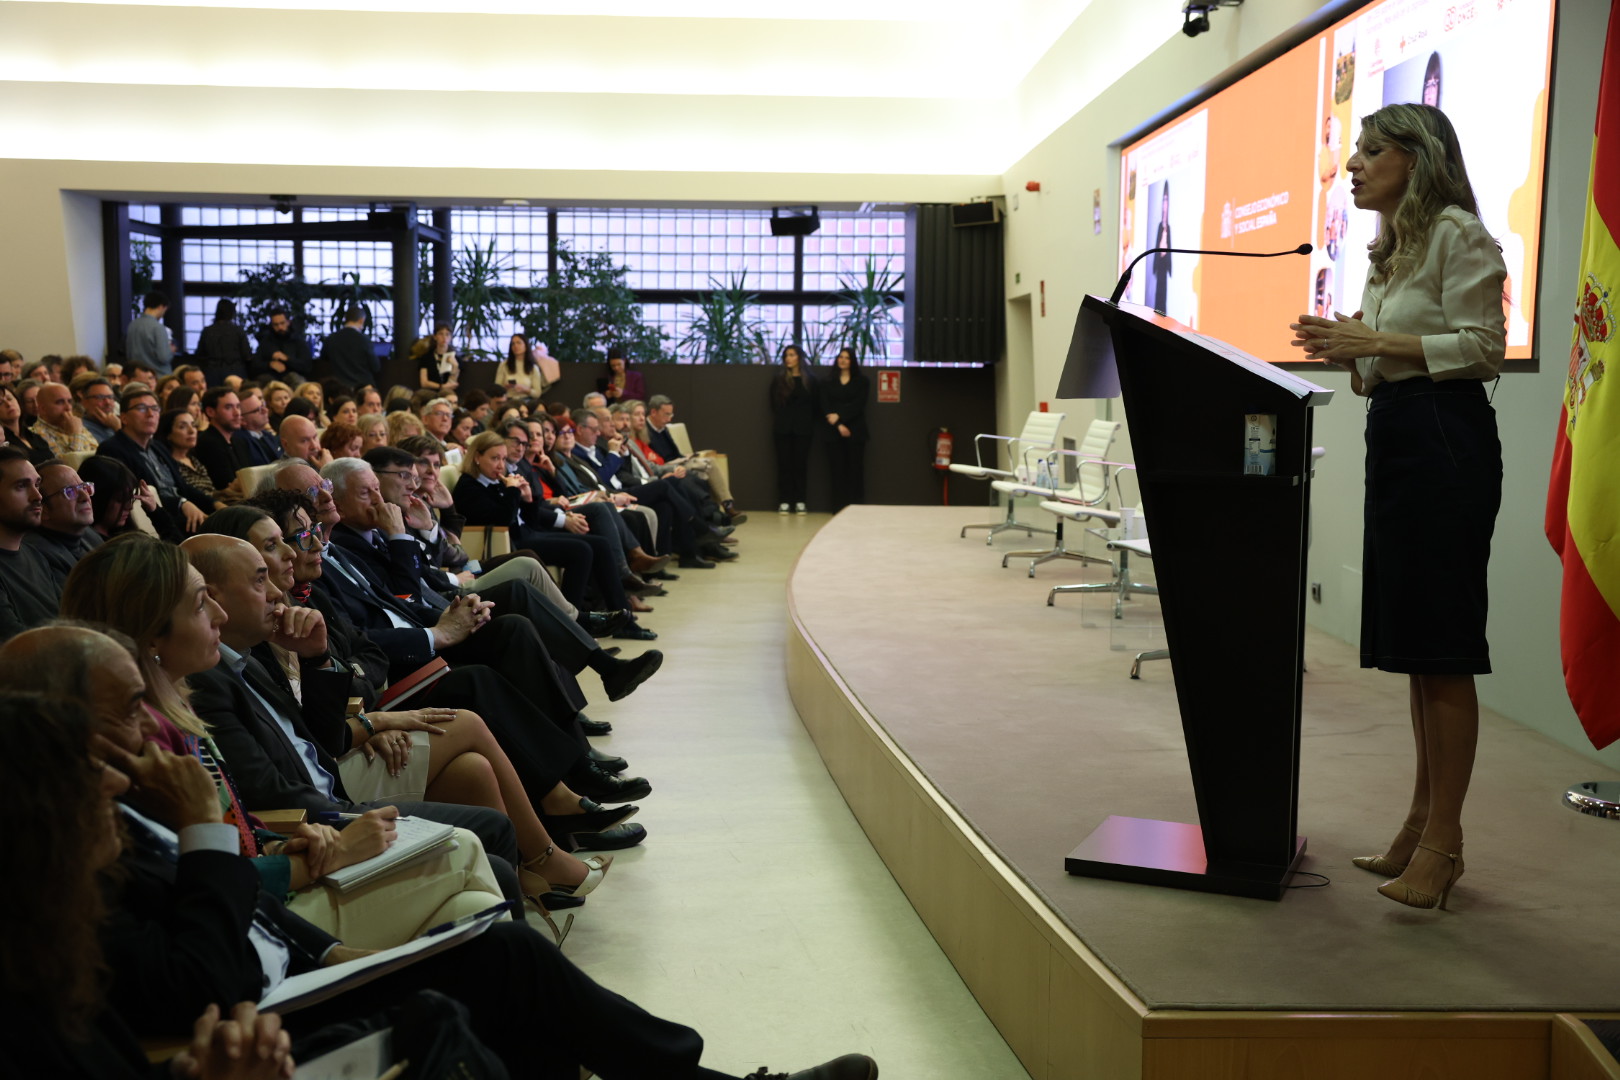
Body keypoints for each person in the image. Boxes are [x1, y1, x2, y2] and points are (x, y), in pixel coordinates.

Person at [1288, 103, 1504, 912]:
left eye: (1372, 150)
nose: (1354, 163)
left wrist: (1374, 345)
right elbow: (1379, 369)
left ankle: (1445, 845)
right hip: (1400, 435)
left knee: (1443, 646)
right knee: (1417, 646)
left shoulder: (1458, 234)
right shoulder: (1388, 251)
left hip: (1448, 440)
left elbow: (1484, 350)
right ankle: (1419, 821)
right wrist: (1350, 346)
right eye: (1355, 150)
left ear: (1417, 158)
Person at [95, 385, 212, 540]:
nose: (151, 414)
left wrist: (215, 504)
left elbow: (183, 486)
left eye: (155, 408)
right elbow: (137, 495)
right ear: (124, 418)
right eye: (142, 408)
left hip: (181, 512)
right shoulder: (113, 449)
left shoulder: (158, 447)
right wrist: (182, 503)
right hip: (155, 520)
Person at [0, 446, 59, 641]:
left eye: (37, 484)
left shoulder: (35, 555)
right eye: (21, 486)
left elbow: (66, 619)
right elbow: (17, 646)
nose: (38, 496)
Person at [23, 460, 102, 587]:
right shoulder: (39, 555)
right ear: (43, 509)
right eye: (70, 491)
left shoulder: (88, 533)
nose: (85, 497)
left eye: (84, 487)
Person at [818, 347, 869, 511]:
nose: (843, 360)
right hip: (833, 431)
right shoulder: (827, 381)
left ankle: (855, 507)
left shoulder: (862, 381)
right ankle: (837, 507)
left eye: (847, 358)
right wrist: (838, 424)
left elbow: (858, 404)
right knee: (836, 471)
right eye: (840, 357)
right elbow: (825, 404)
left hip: (856, 430)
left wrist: (840, 417)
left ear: (852, 361)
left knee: (855, 470)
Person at [770, 344, 816, 514]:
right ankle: (784, 500)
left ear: (799, 358)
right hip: (782, 429)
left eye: (792, 355)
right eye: (786, 355)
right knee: (784, 465)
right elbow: (773, 403)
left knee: (800, 465)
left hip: (803, 430)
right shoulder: (779, 379)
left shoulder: (809, 380)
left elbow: (815, 405)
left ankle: (800, 500)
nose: (788, 358)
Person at [159, 408, 227, 511]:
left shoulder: (195, 460)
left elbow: (209, 493)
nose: (192, 431)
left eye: (194, 425)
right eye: (182, 427)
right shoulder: (168, 465)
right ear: (168, 434)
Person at [195, 387, 252, 491]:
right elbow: (225, 485)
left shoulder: (240, 441)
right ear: (210, 412)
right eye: (229, 407)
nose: (237, 413)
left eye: (238, 407)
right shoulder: (207, 444)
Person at [30, 382, 100, 459]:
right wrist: (75, 435)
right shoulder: (37, 434)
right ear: (43, 409)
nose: (68, 407)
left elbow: (100, 454)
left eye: (69, 401)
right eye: (60, 402)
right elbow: (73, 466)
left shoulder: (75, 424)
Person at [195, 298, 252, 385]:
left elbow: (200, 354)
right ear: (232, 312)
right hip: (235, 372)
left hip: (212, 373)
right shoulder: (238, 331)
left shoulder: (207, 331)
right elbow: (247, 355)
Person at [319, 307, 377, 390]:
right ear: (361, 320)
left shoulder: (331, 339)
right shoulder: (364, 340)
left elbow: (323, 359)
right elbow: (375, 366)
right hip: (363, 387)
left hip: (339, 387)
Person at [251, 308, 313, 385]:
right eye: (276, 325)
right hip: (271, 376)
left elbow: (306, 366)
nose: (280, 327)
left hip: (293, 376)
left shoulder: (298, 341)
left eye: (282, 323)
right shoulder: (266, 342)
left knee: (296, 380)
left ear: (288, 322)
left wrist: (287, 359)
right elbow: (255, 365)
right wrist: (270, 365)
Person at [496, 333, 559, 397]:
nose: (515, 346)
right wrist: (505, 388)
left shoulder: (533, 367)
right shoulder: (504, 365)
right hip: (509, 400)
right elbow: (496, 389)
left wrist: (526, 390)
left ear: (526, 345)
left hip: (527, 400)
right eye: (513, 344)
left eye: (519, 343)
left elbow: (537, 393)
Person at [125, 290, 172, 375]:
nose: (163, 314)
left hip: (136, 375)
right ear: (161, 307)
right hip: (157, 376)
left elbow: (129, 354)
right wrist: (171, 350)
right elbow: (163, 357)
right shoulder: (158, 327)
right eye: (165, 310)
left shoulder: (132, 325)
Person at [0, 384, 50, 458]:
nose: (8, 404)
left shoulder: (32, 434)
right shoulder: (3, 442)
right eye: (0, 403)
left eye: (10, 398)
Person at [70, 373, 121, 444]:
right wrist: (118, 429)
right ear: (85, 402)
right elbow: (110, 452)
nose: (108, 402)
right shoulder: (84, 428)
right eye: (100, 398)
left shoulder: (115, 422)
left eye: (110, 397)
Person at [418, 323, 460, 395]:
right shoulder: (427, 357)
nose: (444, 337)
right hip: (430, 393)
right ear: (435, 337)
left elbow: (452, 384)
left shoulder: (455, 357)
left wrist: (455, 366)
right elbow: (424, 383)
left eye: (447, 334)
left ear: (451, 337)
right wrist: (441, 386)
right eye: (441, 334)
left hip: (448, 394)